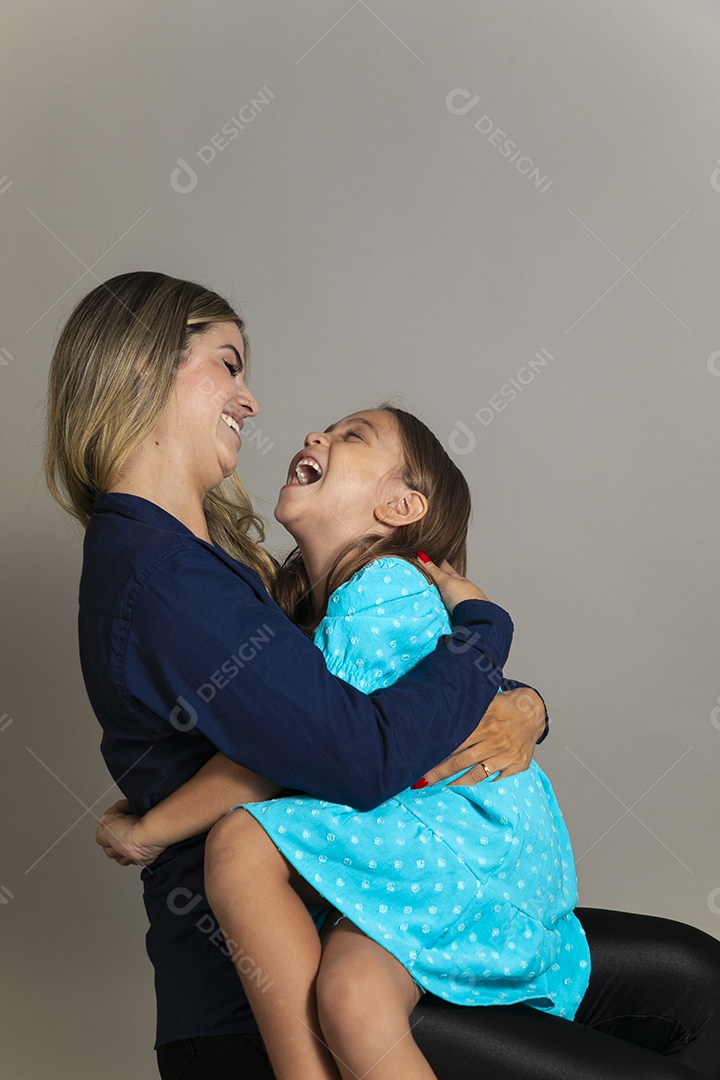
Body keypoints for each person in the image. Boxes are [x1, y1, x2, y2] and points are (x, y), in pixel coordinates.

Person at [47, 272, 720, 1079]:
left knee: (696, 981)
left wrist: (524, 704)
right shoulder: (168, 580)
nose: (254, 401)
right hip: (286, 984)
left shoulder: (209, 573)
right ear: (145, 369)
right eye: (228, 364)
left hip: (382, 910)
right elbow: (358, 752)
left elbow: (367, 695)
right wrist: (484, 633)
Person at [98, 404, 591, 1080]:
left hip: (459, 849)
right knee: (353, 997)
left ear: (400, 505)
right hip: (486, 856)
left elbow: (300, 752)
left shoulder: (380, 589)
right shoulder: (340, 608)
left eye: (352, 436)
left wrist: (150, 829)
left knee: (242, 843)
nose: (315, 435)